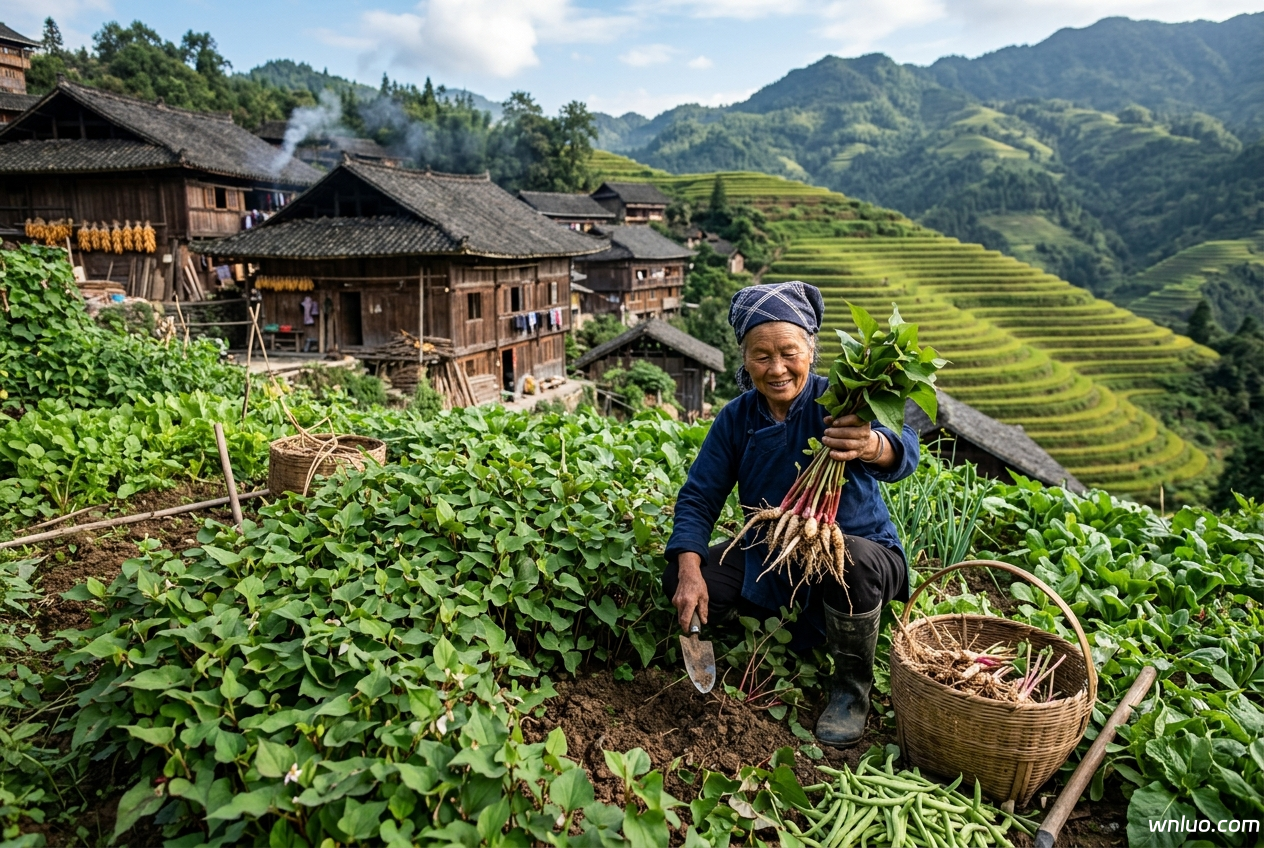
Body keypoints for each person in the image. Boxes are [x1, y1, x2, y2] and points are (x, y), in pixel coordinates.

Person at [664, 281, 919, 747]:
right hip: (775, 550)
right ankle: (776, 636)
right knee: (688, 577)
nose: (777, 368)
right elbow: (699, 497)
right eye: (761, 355)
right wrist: (688, 568)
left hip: (859, 553)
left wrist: (872, 445)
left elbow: (905, 453)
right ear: (744, 359)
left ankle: (850, 690)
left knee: (851, 562)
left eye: (789, 352)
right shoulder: (736, 419)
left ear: (811, 351)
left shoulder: (843, 402)